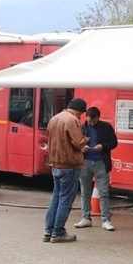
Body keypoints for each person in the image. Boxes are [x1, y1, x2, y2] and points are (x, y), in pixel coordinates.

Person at [44, 98, 88, 243]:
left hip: (56, 164)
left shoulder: (54, 118)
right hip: (70, 165)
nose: (80, 116)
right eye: (81, 113)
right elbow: (77, 142)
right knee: (65, 200)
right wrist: (85, 140)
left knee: (56, 199)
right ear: (79, 110)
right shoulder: (72, 120)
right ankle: (58, 233)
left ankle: (48, 232)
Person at [74, 107, 118, 231]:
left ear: (98, 117)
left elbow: (114, 143)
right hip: (85, 162)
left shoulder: (106, 127)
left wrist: (103, 146)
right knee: (85, 192)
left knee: (104, 192)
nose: (91, 123)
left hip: (101, 162)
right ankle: (85, 218)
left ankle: (105, 220)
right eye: (89, 121)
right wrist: (82, 148)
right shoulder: (82, 127)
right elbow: (74, 144)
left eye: (93, 121)